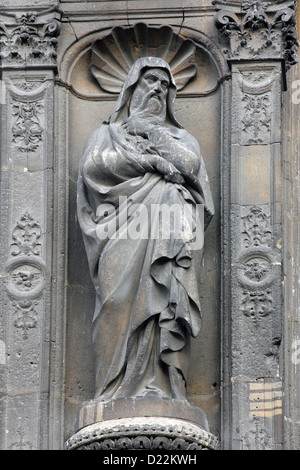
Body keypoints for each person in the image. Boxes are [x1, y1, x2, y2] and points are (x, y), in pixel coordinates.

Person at [77, 57, 214, 402]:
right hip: (120, 230)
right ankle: (111, 392)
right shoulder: (106, 134)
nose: (157, 88)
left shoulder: (181, 137)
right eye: (149, 80)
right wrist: (151, 162)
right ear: (131, 88)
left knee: (163, 304)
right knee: (116, 301)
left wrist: (154, 134)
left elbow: (190, 167)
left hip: (167, 234)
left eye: (164, 85)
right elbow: (95, 168)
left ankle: (163, 387)